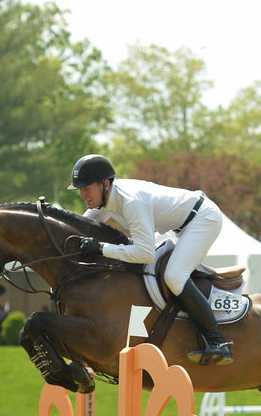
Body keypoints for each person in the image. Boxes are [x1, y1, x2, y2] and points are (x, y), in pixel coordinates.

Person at [67, 154, 233, 366]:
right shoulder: (105, 200)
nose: (83, 195)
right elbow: (80, 225)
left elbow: (145, 254)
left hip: (203, 219)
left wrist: (101, 248)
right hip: (177, 226)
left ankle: (217, 342)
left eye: (86, 188)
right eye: (81, 190)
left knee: (174, 276)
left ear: (105, 184)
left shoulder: (131, 201)